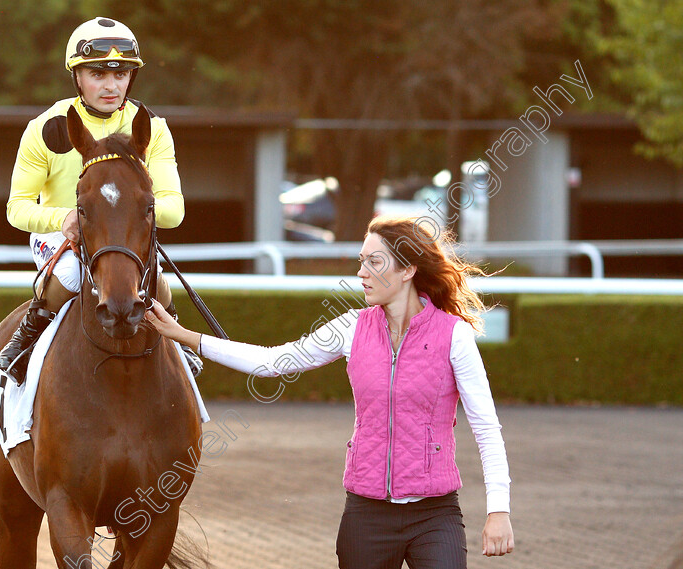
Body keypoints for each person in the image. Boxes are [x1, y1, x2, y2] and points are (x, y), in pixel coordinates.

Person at [146, 216, 514, 568]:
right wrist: (185, 336)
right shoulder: (351, 327)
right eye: (361, 261)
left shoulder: (454, 335)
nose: (361, 273)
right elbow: (273, 362)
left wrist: (499, 510)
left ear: (407, 270)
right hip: (366, 514)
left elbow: (486, 427)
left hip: (435, 515)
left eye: (374, 262)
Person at [0, 16, 202, 384]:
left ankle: (180, 342)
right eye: (98, 75)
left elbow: (173, 210)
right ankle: (24, 341)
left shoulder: (152, 128)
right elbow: (17, 208)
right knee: (72, 272)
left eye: (121, 75)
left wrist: (131, 214)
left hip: (123, 234)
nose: (111, 86)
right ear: (76, 76)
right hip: (61, 234)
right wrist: (65, 219)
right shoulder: (45, 128)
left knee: (146, 271)